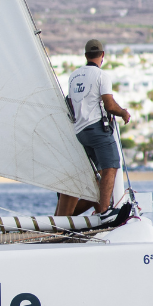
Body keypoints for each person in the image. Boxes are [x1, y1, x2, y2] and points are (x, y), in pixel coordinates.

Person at [55, 39, 131, 218]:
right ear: (102, 55)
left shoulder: (74, 76)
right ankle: (104, 212)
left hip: (80, 132)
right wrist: (123, 113)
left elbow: (71, 104)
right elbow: (109, 104)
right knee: (111, 166)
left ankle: (65, 216)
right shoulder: (101, 76)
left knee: (90, 177)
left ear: (85, 55)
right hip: (97, 129)